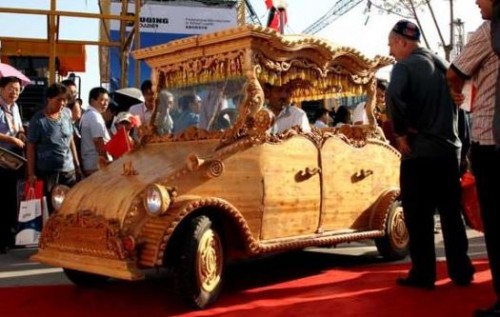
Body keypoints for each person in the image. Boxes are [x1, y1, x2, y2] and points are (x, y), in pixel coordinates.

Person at [385, 20, 474, 290]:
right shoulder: (445, 66)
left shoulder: (404, 67)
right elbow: (463, 113)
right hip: (449, 153)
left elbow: (392, 97)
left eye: (391, 45)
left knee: (419, 216)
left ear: (402, 42)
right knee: (451, 214)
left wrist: (400, 133)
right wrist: (463, 150)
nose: (390, 51)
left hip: (419, 155)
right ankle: (461, 271)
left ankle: (424, 274)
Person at [447, 0, 500, 314]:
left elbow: (453, 73)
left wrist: (458, 87)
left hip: (491, 141)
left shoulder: (487, 31)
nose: (476, 2)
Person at [26, 83, 80, 212]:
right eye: (58, 100)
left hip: (68, 171)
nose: (62, 103)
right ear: (49, 99)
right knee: (50, 208)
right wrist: (31, 173)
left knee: (69, 206)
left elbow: (70, 139)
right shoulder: (38, 120)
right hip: (47, 172)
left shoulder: (67, 113)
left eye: (64, 100)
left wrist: (77, 164)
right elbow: (31, 147)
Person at [0, 76, 26, 253]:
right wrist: (11, 139)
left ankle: (9, 237)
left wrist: (22, 133)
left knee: (11, 199)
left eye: (17, 90)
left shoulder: (15, 107)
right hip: (1, 157)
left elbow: (18, 127)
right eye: (11, 88)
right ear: (1, 89)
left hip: (13, 160)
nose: (14, 92)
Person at [80, 87, 111, 176]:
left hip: (90, 163)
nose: (105, 103)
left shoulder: (88, 114)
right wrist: (106, 161)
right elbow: (98, 141)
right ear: (93, 100)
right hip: (96, 165)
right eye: (102, 100)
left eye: (107, 100)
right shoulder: (94, 116)